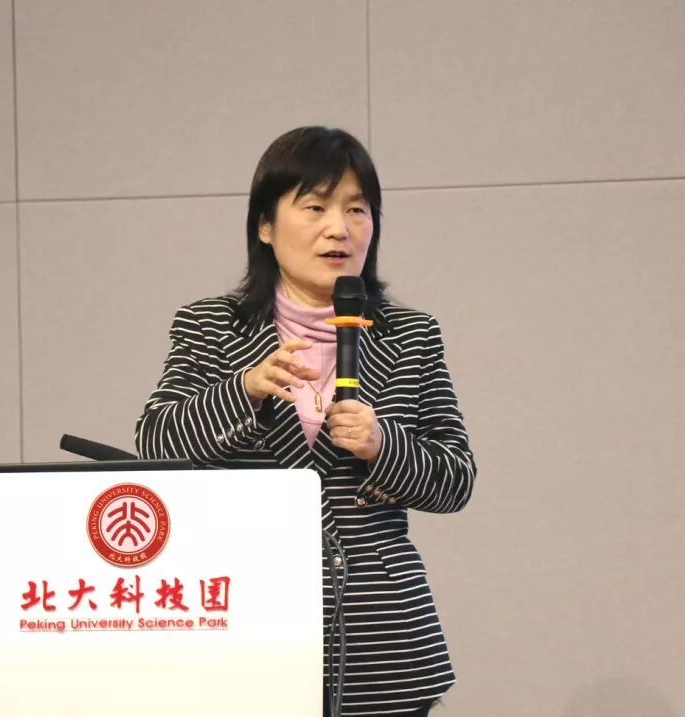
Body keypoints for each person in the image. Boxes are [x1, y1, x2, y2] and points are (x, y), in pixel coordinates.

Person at [135, 126, 476, 716]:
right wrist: (244, 390)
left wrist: (383, 444)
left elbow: (456, 479)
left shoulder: (411, 335)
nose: (338, 228)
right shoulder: (210, 327)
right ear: (265, 226)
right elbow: (155, 442)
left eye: (356, 210)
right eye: (315, 207)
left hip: (379, 637)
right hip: (245, 626)